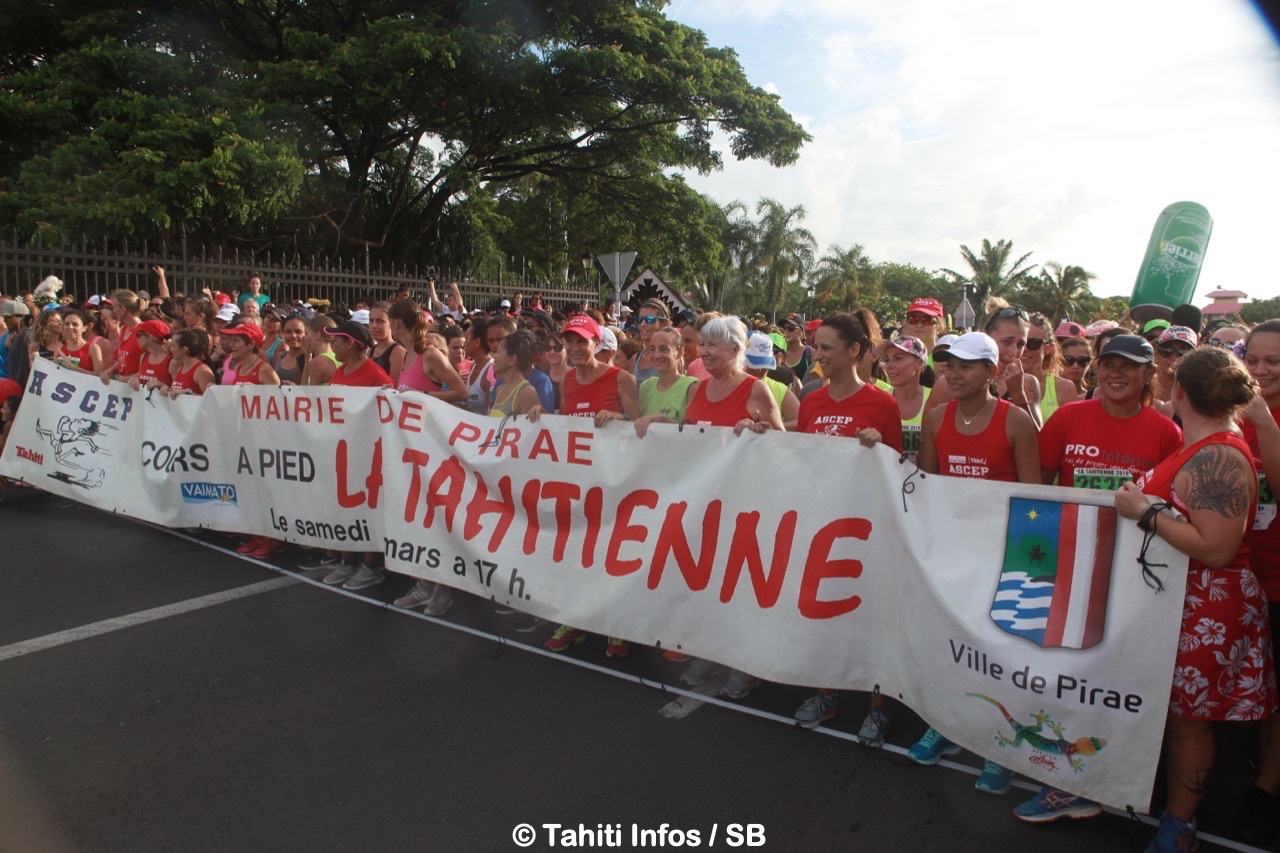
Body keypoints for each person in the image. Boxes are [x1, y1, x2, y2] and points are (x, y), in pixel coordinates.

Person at [1012, 334, 1182, 824]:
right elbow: (1038, 487)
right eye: (1107, 364)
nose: (1116, 373)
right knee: (1070, 674)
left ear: (1148, 375)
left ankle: (1117, 778)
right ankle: (1067, 781)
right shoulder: (1069, 418)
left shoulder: (1166, 432)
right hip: (1072, 568)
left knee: (1119, 679)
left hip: (1136, 576)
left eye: (1128, 366)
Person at [1119, 347, 1277, 852]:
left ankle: (1180, 826)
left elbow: (1216, 547)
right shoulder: (1204, 447)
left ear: (1180, 390)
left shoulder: (1218, 456)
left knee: (1189, 724)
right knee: (1176, 718)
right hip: (1181, 602)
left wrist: (1143, 512)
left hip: (1207, 606)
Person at [912, 331, 1039, 795]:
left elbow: (1033, 497)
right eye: (949, 365)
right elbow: (927, 486)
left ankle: (999, 748)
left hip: (1004, 560)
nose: (954, 373)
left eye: (966, 366)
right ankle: (948, 726)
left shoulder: (1016, 421)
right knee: (953, 644)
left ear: (990, 371)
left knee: (999, 654)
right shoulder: (936, 417)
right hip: (954, 555)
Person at [791, 310, 903, 736]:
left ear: (854, 351)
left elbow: (898, 472)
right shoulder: (812, 400)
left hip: (868, 529)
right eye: (815, 346)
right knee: (825, 610)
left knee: (871, 615)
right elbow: (803, 460)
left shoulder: (883, 404)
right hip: (822, 527)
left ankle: (878, 705)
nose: (817, 355)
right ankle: (827, 693)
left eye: (826, 348)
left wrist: (880, 447)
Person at [528, 314, 639, 657]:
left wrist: (619, 418)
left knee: (611, 556)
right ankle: (574, 621)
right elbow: (567, 424)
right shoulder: (567, 380)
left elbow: (642, 427)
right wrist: (542, 415)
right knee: (577, 553)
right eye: (569, 341)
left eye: (582, 341)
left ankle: (616, 627)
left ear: (596, 343)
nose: (574, 348)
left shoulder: (621, 378)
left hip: (615, 482)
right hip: (578, 483)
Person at [1235, 319, 1280, 843]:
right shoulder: (1232, 413)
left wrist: (1265, 423)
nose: (1261, 371)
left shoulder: (1259, 416)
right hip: (1235, 575)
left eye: (1274, 361)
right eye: (1254, 360)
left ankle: (1266, 791)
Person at [319, 320, 394, 590]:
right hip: (342, 452)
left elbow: (390, 407)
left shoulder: (375, 374)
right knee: (343, 508)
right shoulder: (340, 371)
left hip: (366, 454)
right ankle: (348, 560)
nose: (333, 347)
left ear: (350, 344)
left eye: (336, 342)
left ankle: (371, 565)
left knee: (365, 509)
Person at [387, 300, 465, 404]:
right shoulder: (407, 354)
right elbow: (409, 392)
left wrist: (421, 394)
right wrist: (393, 391)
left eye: (389, 323)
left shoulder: (430, 354)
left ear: (396, 323)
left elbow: (462, 392)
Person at [633, 327, 698, 437]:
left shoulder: (691, 386)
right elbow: (637, 422)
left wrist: (663, 420)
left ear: (680, 353)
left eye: (664, 349)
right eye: (652, 349)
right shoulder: (646, 386)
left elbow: (695, 434)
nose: (657, 355)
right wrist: (616, 417)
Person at [881, 335, 930, 463]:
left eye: (898, 358)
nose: (889, 366)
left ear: (919, 363)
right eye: (886, 360)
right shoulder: (879, 400)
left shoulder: (934, 398)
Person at [1022, 313, 1078, 423]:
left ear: (1049, 348)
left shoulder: (1064, 388)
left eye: (1033, 343)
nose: (1025, 349)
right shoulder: (997, 385)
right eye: (1021, 342)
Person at [220, 322, 279, 386]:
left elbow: (277, 392)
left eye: (236, 340)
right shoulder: (238, 368)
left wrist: (254, 389)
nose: (230, 345)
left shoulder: (264, 369)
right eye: (231, 340)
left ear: (251, 345)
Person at [164, 330, 216, 396]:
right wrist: (166, 388)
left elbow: (211, 399)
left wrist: (187, 393)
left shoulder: (202, 370)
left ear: (184, 349)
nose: (171, 349)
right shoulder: (180, 368)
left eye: (173, 346)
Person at [368, 302, 407, 382]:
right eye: (371, 321)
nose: (374, 326)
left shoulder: (398, 352)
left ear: (392, 323)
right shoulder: (371, 350)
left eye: (380, 321)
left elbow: (394, 385)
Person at [272, 314, 310, 385]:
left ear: (306, 333)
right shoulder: (278, 356)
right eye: (288, 331)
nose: (293, 335)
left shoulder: (311, 358)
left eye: (298, 332)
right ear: (282, 333)